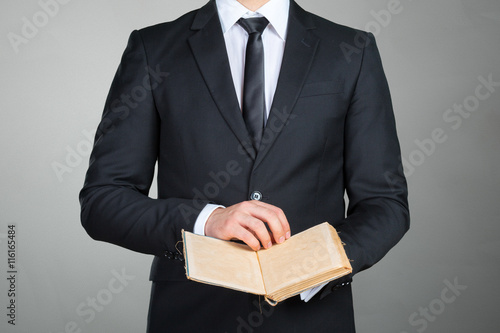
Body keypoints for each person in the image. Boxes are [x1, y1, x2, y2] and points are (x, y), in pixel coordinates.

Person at [79, 0, 409, 331]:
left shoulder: (351, 49)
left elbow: (385, 203)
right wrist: (206, 220)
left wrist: (324, 260)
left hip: (312, 317)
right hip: (192, 316)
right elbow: (103, 200)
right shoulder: (154, 48)